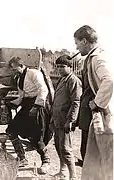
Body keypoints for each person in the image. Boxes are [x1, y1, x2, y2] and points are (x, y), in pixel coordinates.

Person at [73, 25, 113, 180]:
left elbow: (109, 80)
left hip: (97, 113)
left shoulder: (98, 58)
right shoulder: (92, 57)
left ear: (84, 41)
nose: (76, 46)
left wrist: (97, 103)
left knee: (98, 156)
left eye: (76, 43)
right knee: (89, 153)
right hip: (89, 114)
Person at [5, 57, 53, 174]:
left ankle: (46, 161)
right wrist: (11, 103)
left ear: (21, 65)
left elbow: (43, 90)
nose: (13, 71)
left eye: (15, 68)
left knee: (36, 136)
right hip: (27, 105)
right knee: (11, 130)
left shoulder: (34, 73)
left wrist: (36, 107)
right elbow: (21, 97)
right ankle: (22, 158)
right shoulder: (19, 78)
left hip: (38, 105)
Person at [51, 55, 82, 180]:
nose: (60, 69)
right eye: (58, 67)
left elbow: (76, 101)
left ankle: (73, 176)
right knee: (58, 146)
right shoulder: (62, 79)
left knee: (66, 148)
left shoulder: (73, 80)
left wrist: (71, 120)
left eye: (63, 67)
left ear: (70, 67)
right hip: (57, 119)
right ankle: (62, 171)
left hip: (65, 120)